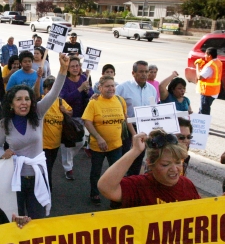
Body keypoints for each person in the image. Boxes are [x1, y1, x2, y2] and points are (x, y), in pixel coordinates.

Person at [0, 54, 68, 219]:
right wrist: (2, 153)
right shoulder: (5, 123)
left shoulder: (38, 113)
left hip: (37, 177)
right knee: (17, 220)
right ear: (11, 104)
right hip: (14, 179)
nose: (24, 102)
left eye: (27, 99)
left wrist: (63, 69)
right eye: (19, 99)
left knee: (37, 220)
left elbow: (53, 93)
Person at [98, 129, 225, 207]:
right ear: (150, 164)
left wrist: (222, 201)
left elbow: (200, 211)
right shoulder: (139, 186)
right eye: (165, 164)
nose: (174, 169)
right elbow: (106, 187)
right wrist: (134, 152)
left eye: (178, 162)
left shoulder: (186, 184)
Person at [82, 75, 127, 206]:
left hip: (116, 145)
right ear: (100, 88)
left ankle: (116, 196)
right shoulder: (94, 102)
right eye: (107, 86)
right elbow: (87, 122)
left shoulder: (120, 100)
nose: (111, 88)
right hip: (99, 146)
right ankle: (94, 193)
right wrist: (99, 138)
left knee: (117, 173)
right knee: (96, 171)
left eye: (113, 86)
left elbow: (125, 118)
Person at [116, 61, 157, 177]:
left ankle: (132, 182)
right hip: (126, 128)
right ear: (133, 73)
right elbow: (112, 101)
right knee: (125, 155)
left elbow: (154, 110)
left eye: (146, 71)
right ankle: (119, 181)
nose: (144, 74)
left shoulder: (152, 90)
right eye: (141, 72)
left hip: (144, 128)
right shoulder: (123, 88)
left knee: (139, 155)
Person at [58, 55, 92, 181]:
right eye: (72, 66)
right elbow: (64, 98)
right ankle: (68, 169)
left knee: (81, 141)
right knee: (67, 144)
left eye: (77, 66)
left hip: (82, 116)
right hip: (68, 116)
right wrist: (80, 89)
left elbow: (91, 94)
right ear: (67, 68)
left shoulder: (83, 78)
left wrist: (88, 91)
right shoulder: (64, 81)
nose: (75, 68)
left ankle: (68, 159)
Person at [41, 76, 72, 190]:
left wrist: (65, 111)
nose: (51, 91)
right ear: (44, 90)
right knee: (46, 168)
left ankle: (46, 189)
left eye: (54, 89)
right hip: (41, 145)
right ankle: (47, 190)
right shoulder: (42, 100)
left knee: (49, 167)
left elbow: (70, 112)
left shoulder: (60, 101)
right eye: (48, 89)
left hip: (55, 144)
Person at [194, 47, 222, 115]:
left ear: (209, 55)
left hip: (207, 92)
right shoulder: (218, 62)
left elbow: (199, 77)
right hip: (214, 91)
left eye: (205, 54)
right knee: (202, 110)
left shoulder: (210, 66)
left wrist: (197, 65)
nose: (204, 56)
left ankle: (204, 125)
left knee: (204, 111)